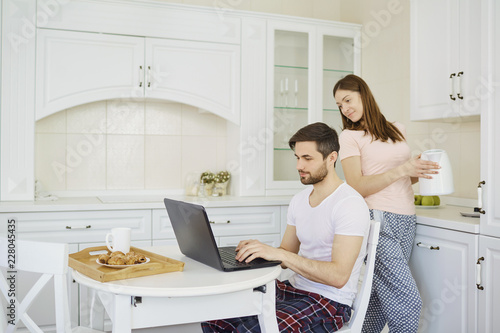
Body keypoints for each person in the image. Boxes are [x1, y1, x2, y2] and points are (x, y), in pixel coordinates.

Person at [201, 122, 370, 333]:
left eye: (307, 158)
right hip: (292, 289)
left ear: (332, 158)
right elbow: (286, 255)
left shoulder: (349, 204)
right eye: (297, 158)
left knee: (253, 329)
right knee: (215, 316)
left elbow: (338, 277)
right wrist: (260, 250)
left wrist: (280, 255)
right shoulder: (299, 200)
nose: (299, 165)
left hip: (329, 302)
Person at [333, 74, 439, 332]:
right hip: (376, 218)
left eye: (347, 100)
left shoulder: (397, 128)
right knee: (408, 300)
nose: (345, 108)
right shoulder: (349, 136)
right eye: (339, 105)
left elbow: (403, 180)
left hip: (405, 217)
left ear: (363, 94)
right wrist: (403, 169)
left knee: (380, 301)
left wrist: (416, 169)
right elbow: (356, 185)